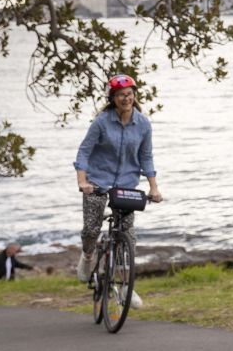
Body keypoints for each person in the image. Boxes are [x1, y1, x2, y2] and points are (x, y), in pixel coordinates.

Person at [73, 74, 162, 309]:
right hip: (97, 182)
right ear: (113, 98)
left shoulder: (143, 124)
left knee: (128, 237)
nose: (127, 97)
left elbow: (146, 157)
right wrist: (83, 181)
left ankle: (126, 286)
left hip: (125, 185)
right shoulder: (102, 122)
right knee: (91, 228)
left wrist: (153, 188)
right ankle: (88, 256)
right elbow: (84, 152)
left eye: (130, 93)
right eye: (122, 94)